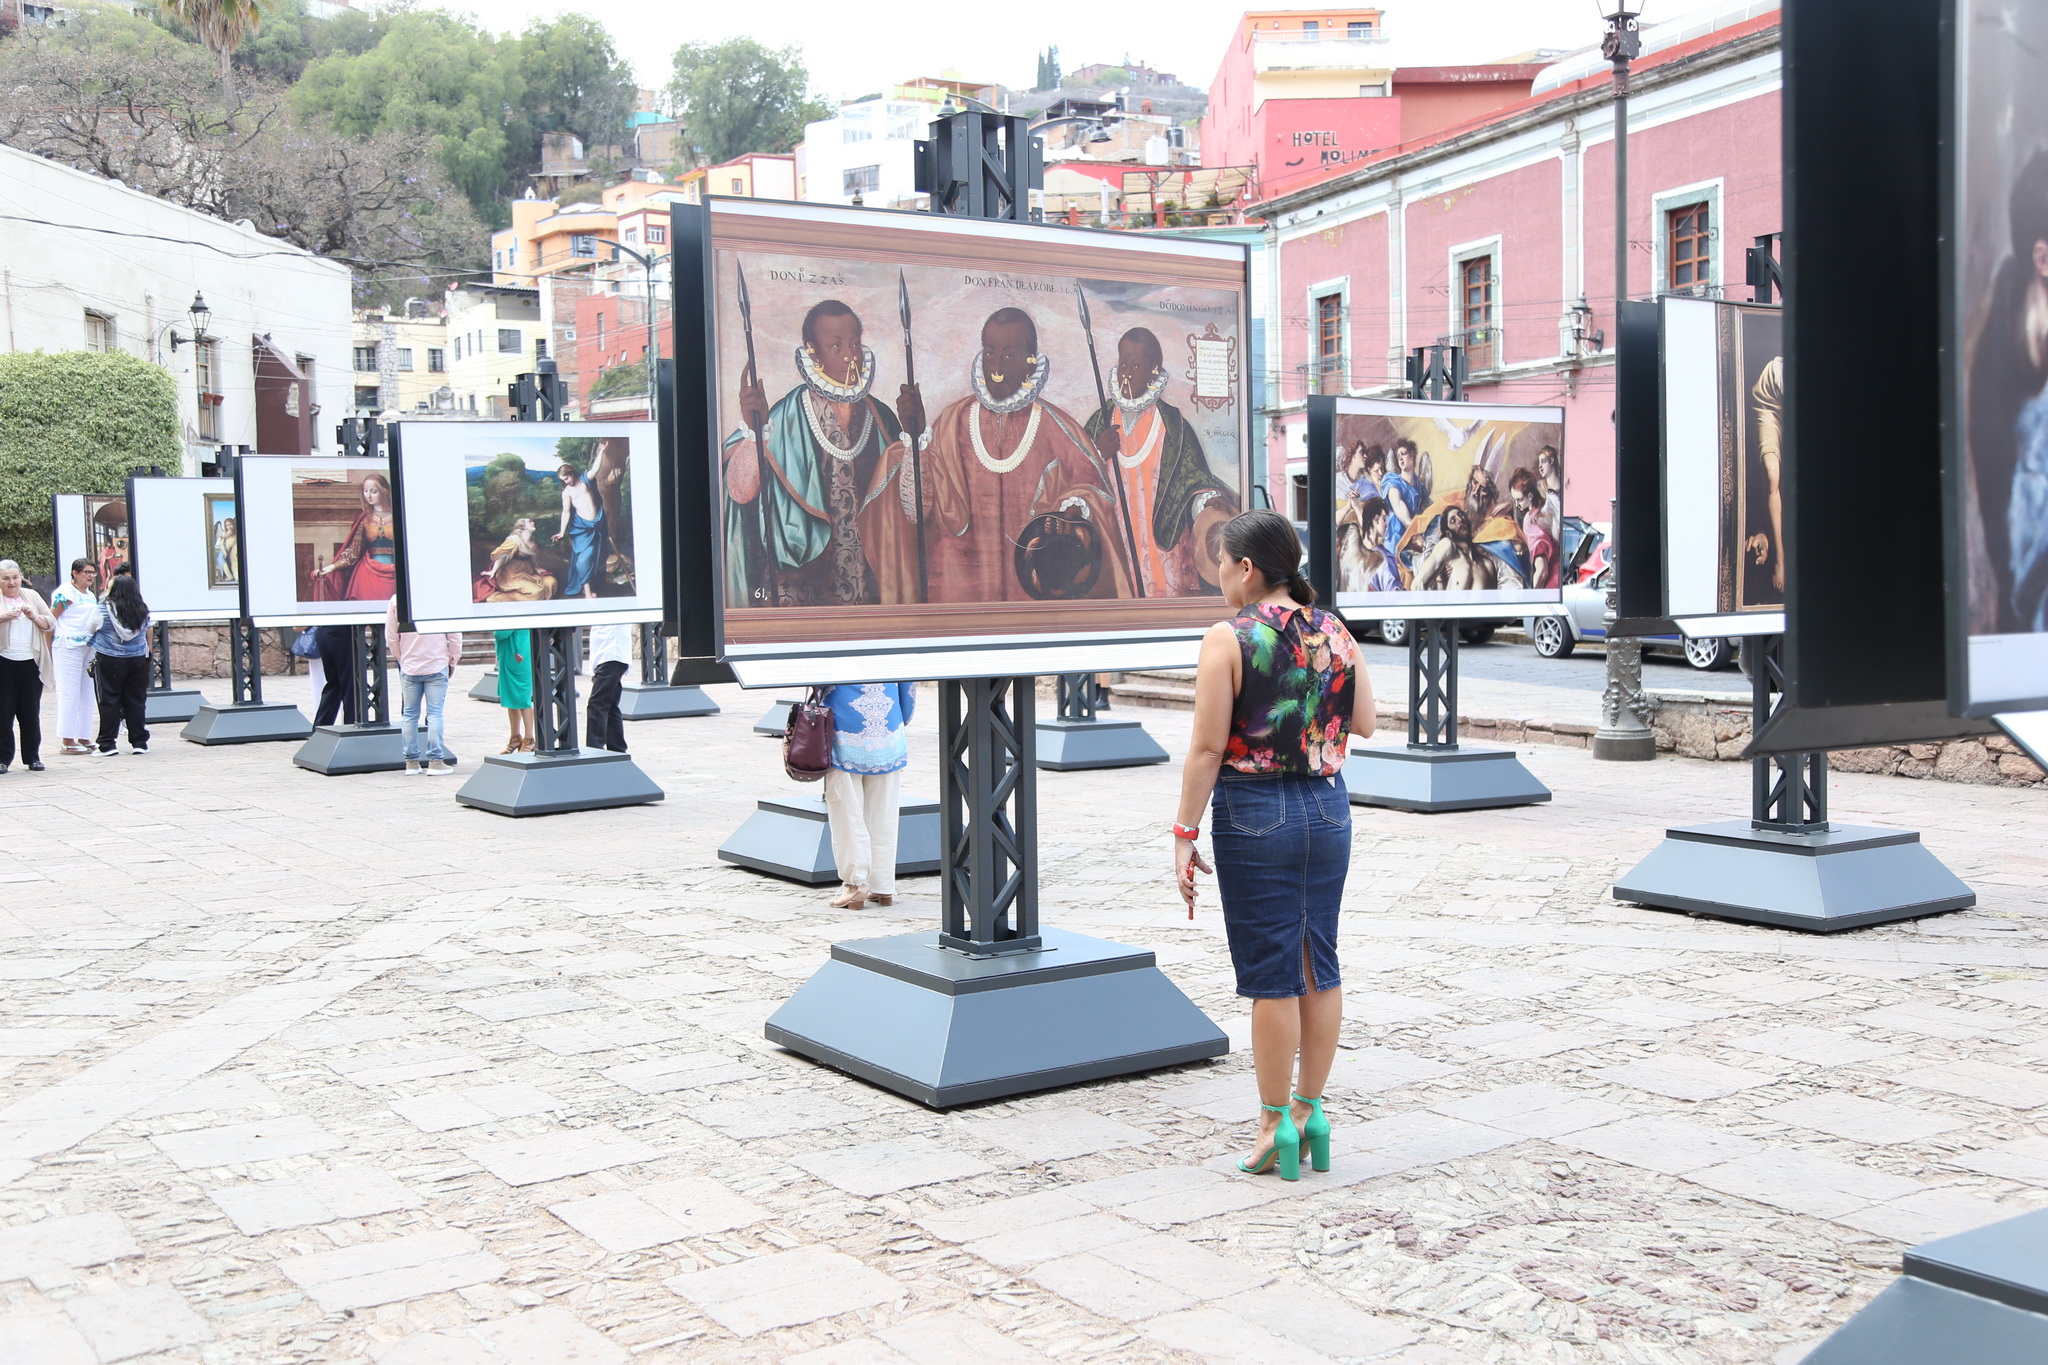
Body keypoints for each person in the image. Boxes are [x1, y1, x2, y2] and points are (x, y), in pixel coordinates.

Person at [1173, 509, 1374, 1181]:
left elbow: (1206, 748)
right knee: (1320, 961)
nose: (1220, 576)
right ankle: (1309, 1110)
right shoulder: (1336, 631)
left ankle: (1270, 1125)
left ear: (1248, 568)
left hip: (1255, 811)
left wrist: (1183, 831)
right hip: (1328, 807)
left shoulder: (1228, 638)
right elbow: (1366, 721)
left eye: (1222, 565)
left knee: (1271, 975)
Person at [903, 307, 1126, 603]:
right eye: (990, 352)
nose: (996, 367)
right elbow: (918, 509)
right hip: (959, 584)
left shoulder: (1056, 426)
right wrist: (916, 438)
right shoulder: (951, 422)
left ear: (1030, 362)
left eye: (1008, 356)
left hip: (1031, 587)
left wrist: (1075, 508)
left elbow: (1094, 487)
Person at [722, 299, 921, 608]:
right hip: (804, 587)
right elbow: (741, 492)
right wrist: (755, 432)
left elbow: (914, 508)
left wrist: (913, 436)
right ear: (812, 351)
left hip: (869, 586)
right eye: (836, 346)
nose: (849, 356)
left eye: (855, 344)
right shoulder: (783, 417)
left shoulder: (881, 416)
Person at [1079, 326, 1237, 597]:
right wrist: (1097, 452)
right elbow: (1076, 477)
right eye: (1123, 364)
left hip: (1164, 547)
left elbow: (1193, 478)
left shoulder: (1174, 425)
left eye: (1136, 365)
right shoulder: (1099, 422)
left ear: (1155, 370)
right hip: (1115, 542)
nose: (1126, 373)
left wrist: (1206, 501)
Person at [821, 681, 915, 909]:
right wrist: (898, 716)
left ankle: (856, 885)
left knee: (847, 811)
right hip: (888, 725)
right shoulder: (892, 642)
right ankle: (883, 886)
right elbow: (908, 686)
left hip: (843, 724)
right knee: (884, 811)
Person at [386, 598, 461, 774]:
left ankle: (411, 762)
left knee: (409, 715)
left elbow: (391, 636)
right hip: (436, 663)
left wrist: (402, 659)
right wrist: (453, 660)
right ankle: (435, 761)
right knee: (435, 713)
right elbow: (455, 636)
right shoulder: (440, 598)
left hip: (410, 665)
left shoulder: (397, 599)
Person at [89, 566, 151, 756]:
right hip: (137, 659)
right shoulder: (142, 609)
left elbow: (91, 627)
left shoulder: (103, 608)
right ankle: (139, 742)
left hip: (109, 658)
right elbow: (147, 628)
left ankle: (107, 744)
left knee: (109, 700)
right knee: (136, 700)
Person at [0, 560, 54, 773]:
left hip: (30, 662)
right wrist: (3, 617)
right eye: (5, 578)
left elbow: (50, 622)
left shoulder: (31, 596)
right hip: (4, 661)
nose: (11, 582)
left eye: (15, 577)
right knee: (4, 713)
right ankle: (3, 758)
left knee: (30, 713)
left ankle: (32, 757)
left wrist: (33, 616)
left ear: (20, 577)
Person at [315, 473, 399, 601]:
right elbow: (354, 552)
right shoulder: (364, 520)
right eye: (366, 491)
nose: (369, 496)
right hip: (367, 575)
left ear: (385, 491)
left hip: (394, 575)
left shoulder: (398, 518)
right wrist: (332, 567)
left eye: (373, 491)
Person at [48, 558, 102, 754]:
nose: (90, 576)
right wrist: (48, 648)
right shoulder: (66, 592)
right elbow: (51, 618)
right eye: (86, 572)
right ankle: (67, 739)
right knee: (69, 692)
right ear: (75, 573)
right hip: (68, 645)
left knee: (87, 691)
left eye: (92, 573)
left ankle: (84, 735)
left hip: (88, 646)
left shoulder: (90, 595)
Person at [552, 463, 607, 599]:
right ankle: (587, 592)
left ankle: (586, 588)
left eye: (566, 478)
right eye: (563, 480)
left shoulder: (585, 480)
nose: (565, 482)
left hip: (596, 525)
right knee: (584, 559)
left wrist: (602, 452)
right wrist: (562, 531)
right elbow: (565, 512)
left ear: (571, 473)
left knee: (595, 556)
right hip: (581, 529)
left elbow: (595, 468)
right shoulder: (567, 492)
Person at [479, 519, 558, 602]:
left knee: (551, 582)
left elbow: (532, 556)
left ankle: (542, 605)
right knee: (537, 591)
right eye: (529, 522)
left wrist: (536, 567)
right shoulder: (514, 540)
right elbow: (502, 557)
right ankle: (496, 599)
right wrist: (493, 571)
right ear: (522, 527)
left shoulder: (532, 540)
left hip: (526, 572)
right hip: (510, 574)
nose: (533, 523)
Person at [584, 623, 632, 753]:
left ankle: (595, 750)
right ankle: (617, 749)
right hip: (607, 657)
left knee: (597, 704)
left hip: (611, 655)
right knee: (610, 706)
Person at [494, 628, 535, 753]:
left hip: (518, 658)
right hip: (509, 657)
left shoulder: (515, 612)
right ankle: (515, 737)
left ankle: (529, 739)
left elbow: (500, 633)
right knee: (511, 698)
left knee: (522, 698)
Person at [312, 624, 357, 727]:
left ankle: (321, 727)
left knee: (334, 684)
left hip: (324, 632)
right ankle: (351, 726)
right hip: (341, 633)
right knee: (350, 685)